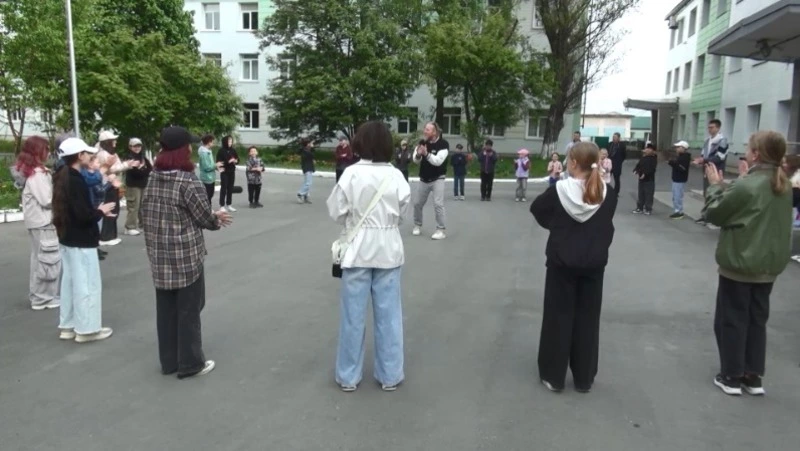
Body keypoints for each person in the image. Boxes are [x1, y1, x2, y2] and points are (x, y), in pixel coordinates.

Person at [703, 130, 792, 396]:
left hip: (740, 262)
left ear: (755, 154)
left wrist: (716, 185)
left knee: (731, 319)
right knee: (756, 320)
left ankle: (731, 375)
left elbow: (717, 213)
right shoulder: (783, 184)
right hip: (768, 265)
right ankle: (752, 376)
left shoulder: (748, 185)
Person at [140, 126, 233, 379]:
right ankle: (191, 363)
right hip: (185, 255)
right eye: (188, 145)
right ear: (183, 149)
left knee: (166, 309)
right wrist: (216, 219)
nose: (192, 148)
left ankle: (169, 362)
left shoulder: (154, 177)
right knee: (190, 308)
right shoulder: (187, 180)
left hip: (159, 255)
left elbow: (145, 213)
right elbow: (203, 217)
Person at [326, 121, 411, 392]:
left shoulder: (351, 174)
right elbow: (404, 212)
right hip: (388, 248)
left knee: (352, 317)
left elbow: (336, 212)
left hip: (357, 250)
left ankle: (348, 376)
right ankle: (390, 375)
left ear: (359, 143)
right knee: (389, 317)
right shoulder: (396, 175)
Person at [530, 141, 617, 393]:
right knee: (588, 319)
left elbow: (537, 209)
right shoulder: (606, 193)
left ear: (573, 163)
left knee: (558, 317)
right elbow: (606, 224)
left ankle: (553, 375)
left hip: (561, 263)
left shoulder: (559, 190)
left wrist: (558, 226)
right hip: (593, 265)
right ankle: (584, 377)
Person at [51, 138, 117, 343]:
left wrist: (96, 212)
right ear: (79, 156)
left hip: (67, 238)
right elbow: (83, 215)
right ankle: (87, 329)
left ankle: (68, 325)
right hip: (81, 240)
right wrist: (100, 211)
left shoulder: (62, 176)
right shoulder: (76, 180)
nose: (90, 156)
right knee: (87, 284)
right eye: (87, 153)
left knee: (70, 283)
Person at [12, 136, 61, 311]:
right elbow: (46, 199)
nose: (48, 153)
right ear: (38, 152)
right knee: (48, 259)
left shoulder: (30, 171)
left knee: (40, 258)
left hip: (37, 222)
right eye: (46, 149)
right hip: (44, 222)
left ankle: (39, 295)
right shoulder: (38, 175)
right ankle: (43, 297)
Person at [412, 122, 449, 240]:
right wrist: (418, 154)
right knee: (417, 203)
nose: (425, 131)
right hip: (424, 178)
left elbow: (438, 161)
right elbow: (415, 160)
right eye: (425, 129)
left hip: (438, 178)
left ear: (435, 132)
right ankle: (417, 225)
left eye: (428, 129)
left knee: (438, 204)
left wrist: (426, 154)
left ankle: (440, 230)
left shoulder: (443, 144)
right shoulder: (422, 143)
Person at [694, 119, 729, 225]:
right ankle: (705, 215)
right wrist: (700, 161)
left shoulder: (723, 141)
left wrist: (704, 160)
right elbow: (703, 154)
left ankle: (714, 216)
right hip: (707, 169)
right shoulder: (707, 140)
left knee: (716, 192)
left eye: (712, 127)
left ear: (718, 128)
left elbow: (720, 157)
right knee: (707, 192)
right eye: (709, 127)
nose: (709, 129)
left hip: (716, 171)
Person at [96, 130, 126, 246]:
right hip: (108, 184)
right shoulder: (103, 154)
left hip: (113, 183)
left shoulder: (109, 153)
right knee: (111, 209)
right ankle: (106, 236)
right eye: (113, 140)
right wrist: (126, 165)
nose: (115, 142)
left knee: (114, 209)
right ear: (107, 142)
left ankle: (111, 235)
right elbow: (112, 169)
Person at [123, 138, 152, 235]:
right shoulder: (129, 157)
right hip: (133, 185)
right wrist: (144, 171)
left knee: (143, 206)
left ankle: (142, 225)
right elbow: (135, 173)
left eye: (138, 145)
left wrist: (142, 170)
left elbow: (150, 169)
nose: (137, 148)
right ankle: (129, 227)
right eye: (134, 146)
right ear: (130, 146)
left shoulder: (143, 157)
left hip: (143, 184)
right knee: (133, 206)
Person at [668, 141, 691, 219]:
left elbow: (682, 168)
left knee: (678, 195)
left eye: (678, 147)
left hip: (680, 179)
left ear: (683, 148)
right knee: (675, 196)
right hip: (676, 179)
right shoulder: (680, 156)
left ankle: (679, 211)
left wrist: (673, 163)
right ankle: (677, 210)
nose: (676, 149)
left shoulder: (685, 158)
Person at [632, 143, 657, 216]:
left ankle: (648, 209)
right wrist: (636, 170)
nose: (647, 150)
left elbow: (652, 169)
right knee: (641, 194)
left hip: (649, 179)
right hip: (641, 179)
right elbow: (638, 165)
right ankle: (640, 208)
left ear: (653, 151)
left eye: (649, 149)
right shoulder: (643, 158)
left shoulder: (653, 159)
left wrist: (645, 174)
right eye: (647, 148)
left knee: (649, 194)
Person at [216, 135, 239, 212]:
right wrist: (228, 162)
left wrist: (236, 161)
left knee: (230, 188)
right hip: (224, 171)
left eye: (231, 141)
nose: (230, 143)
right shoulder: (221, 151)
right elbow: (218, 162)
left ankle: (229, 204)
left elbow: (237, 159)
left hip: (232, 171)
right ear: (225, 141)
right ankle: (221, 205)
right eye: (229, 141)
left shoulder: (233, 150)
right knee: (224, 188)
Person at [197, 135, 217, 202]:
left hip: (210, 178)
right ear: (209, 142)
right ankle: (207, 210)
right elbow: (206, 167)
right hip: (207, 178)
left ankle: (209, 209)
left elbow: (210, 164)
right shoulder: (204, 153)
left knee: (210, 195)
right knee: (207, 196)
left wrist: (216, 167)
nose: (213, 143)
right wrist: (216, 165)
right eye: (212, 141)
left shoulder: (208, 151)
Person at [297, 138, 315, 204]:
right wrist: (312, 148)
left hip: (308, 167)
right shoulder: (305, 151)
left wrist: (311, 147)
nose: (311, 144)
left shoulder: (305, 149)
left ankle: (306, 196)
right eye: (309, 143)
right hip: (307, 168)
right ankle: (300, 194)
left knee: (306, 182)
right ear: (307, 144)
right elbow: (312, 155)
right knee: (308, 183)